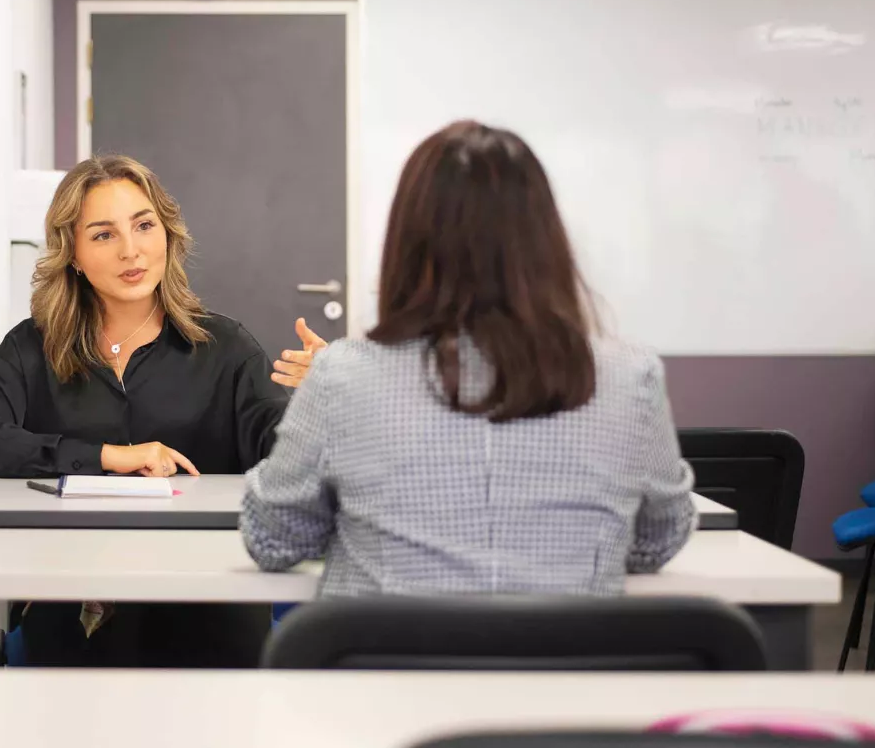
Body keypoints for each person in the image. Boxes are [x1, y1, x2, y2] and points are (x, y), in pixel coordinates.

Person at [241, 120, 695, 599]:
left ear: (408, 242)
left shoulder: (342, 376)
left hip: (386, 668)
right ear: (546, 238)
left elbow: (272, 540)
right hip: (566, 669)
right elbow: (656, 542)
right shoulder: (630, 376)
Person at [0, 154, 326, 665]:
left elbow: (282, 452)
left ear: (167, 234)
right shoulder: (32, 348)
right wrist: (107, 456)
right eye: (103, 234)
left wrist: (325, 403)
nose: (131, 250)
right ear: (74, 254)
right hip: (73, 601)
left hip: (209, 604)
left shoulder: (227, 348)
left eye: (144, 225)